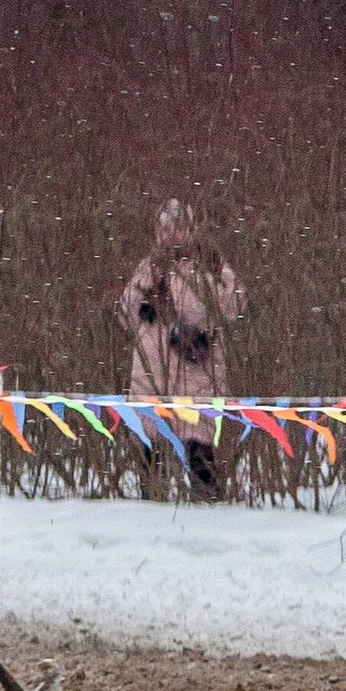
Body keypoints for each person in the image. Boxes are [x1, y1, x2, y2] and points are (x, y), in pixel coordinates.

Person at [121, 200, 248, 499]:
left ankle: (209, 509)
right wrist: (143, 300)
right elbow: (124, 315)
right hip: (149, 373)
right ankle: (150, 510)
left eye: (177, 227)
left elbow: (234, 305)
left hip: (197, 371)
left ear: (190, 229)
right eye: (165, 228)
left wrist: (189, 298)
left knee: (198, 450)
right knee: (148, 448)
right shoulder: (148, 266)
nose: (171, 234)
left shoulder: (210, 261)